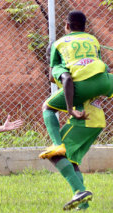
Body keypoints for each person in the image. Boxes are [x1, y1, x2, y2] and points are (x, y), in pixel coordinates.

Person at [39, 35, 113, 210]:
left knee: (56, 155)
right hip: (96, 120)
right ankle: (83, 205)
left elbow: (59, 82)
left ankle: (79, 191)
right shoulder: (90, 67)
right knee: (71, 161)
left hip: (83, 121)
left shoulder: (66, 71)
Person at [39, 10, 113, 159]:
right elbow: (101, 66)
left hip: (81, 89)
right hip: (105, 80)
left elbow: (62, 78)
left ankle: (57, 144)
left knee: (47, 107)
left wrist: (69, 108)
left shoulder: (59, 45)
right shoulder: (93, 40)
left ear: (67, 25)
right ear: (85, 27)